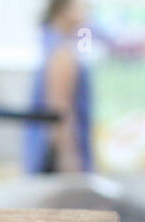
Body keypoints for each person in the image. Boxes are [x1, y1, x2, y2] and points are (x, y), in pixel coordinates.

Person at [24, 0, 95, 174]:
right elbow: (60, 111)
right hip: (60, 156)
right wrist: (69, 159)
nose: (87, 9)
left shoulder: (53, 45)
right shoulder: (62, 53)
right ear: (64, 9)